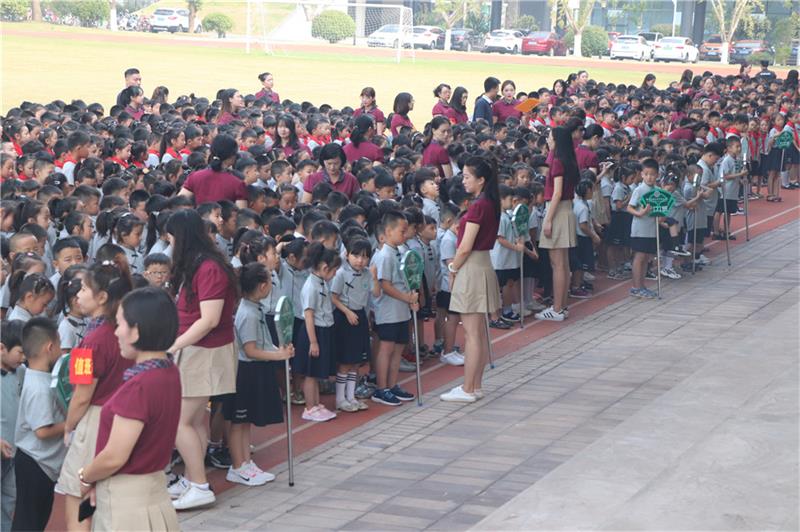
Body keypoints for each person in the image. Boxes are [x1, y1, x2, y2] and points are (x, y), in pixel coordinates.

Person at [77, 288, 181, 531]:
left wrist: (85, 476)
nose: (116, 331)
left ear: (135, 331)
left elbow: (115, 456)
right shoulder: (168, 370)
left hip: (125, 503)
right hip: (154, 493)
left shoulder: (138, 385)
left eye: (120, 323)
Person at [166, 209, 238, 510]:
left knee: (178, 422)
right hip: (198, 348)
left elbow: (209, 319)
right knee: (193, 421)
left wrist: (174, 346)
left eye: (171, 237)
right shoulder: (199, 263)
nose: (169, 243)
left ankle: (198, 484)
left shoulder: (207, 268)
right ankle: (194, 479)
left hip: (203, 349)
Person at [57, 261, 133, 531]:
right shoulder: (125, 329)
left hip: (95, 421)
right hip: (124, 416)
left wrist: (69, 426)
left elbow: (81, 394)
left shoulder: (90, 341)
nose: (77, 294)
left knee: (78, 500)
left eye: (83, 289)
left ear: (101, 297)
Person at [440, 155, 501, 403]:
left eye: (467, 176)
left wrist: (453, 268)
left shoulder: (478, 206)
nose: (463, 180)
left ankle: (468, 388)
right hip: (483, 264)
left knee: (472, 334)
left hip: (471, 266)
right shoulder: (490, 202)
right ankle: (475, 385)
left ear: (481, 179)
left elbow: (465, 247)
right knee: (479, 333)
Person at [227, 263, 292, 485]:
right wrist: (278, 356)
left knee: (246, 422)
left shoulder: (256, 308)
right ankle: (237, 466)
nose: (272, 285)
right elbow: (250, 350)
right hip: (246, 372)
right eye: (270, 281)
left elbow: (262, 342)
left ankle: (246, 462)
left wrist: (279, 350)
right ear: (263, 286)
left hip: (255, 369)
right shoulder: (248, 313)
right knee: (239, 421)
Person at [12, 318, 65, 531]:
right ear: (49, 347)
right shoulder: (38, 387)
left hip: (41, 464)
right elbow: (42, 431)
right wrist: (71, 423)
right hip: (35, 463)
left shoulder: (40, 378)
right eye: (59, 344)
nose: (61, 350)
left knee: (35, 520)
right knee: (28, 523)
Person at [372, 211, 418, 406]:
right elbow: (385, 285)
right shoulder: (384, 255)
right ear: (388, 231)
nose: (405, 235)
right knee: (387, 348)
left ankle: (392, 385)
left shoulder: (399, 251)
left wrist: (411, 298)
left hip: (401, 310)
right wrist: (406, 298)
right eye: (402, 231)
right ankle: (381, 388)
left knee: (398, 349)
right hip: (389, 311)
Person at [294, 243, 341, 421]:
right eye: (334, 270)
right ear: (324, 268)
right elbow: (309, 315)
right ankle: (310, 408)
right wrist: (313, 342)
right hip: (313, 333)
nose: (335, 274)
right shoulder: (311, 286)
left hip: (323, 330)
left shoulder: (321, 282)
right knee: (310, 373)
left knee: (315, 373)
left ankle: (316, 404)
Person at [535, 127, 578, 322]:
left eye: (550, 137)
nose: (548, 140)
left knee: (558, 264)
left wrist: (549, 219)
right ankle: (562, 305)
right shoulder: (567, 159)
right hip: (565, 209)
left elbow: (557, 192)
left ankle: (557, 308)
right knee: (563, 263)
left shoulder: (557, 160)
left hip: (558, 210)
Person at [179, 134, 248, 208]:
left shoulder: (195, 177)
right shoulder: (237, 184)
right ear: (232, 156)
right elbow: (241, 213)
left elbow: (179, 202)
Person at [1, 320, 25, 531]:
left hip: (13, 450)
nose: (23, 357)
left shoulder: (21, 372)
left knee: (10, 498)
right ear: (2, 348)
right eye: (20, 352)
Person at [627, 158, 660, 299]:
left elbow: (661, 209)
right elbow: (629, 207)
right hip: (640, 229)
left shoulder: (657, 190)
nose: (649, 177)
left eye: (652, 174)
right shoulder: (639, 190)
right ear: (641, 174)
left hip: (652, 229)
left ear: (657, 175)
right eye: (646, 174)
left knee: (646, 258)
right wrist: (640, 213)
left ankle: (642, 285)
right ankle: (636, 287)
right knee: (639, 257)